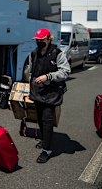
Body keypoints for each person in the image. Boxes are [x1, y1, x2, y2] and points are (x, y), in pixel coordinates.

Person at [28, 28, 70, 164]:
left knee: (47, 120)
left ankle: (47, 150)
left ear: (48, 39)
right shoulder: (34, 53)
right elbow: (31, 71)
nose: (39, 42)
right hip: (37, 92)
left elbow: (65, 72)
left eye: (41, 40)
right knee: (39, 118)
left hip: (51, 93)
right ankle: (44, 140)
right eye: (37, 40)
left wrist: (48, 76)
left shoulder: (57, 53)